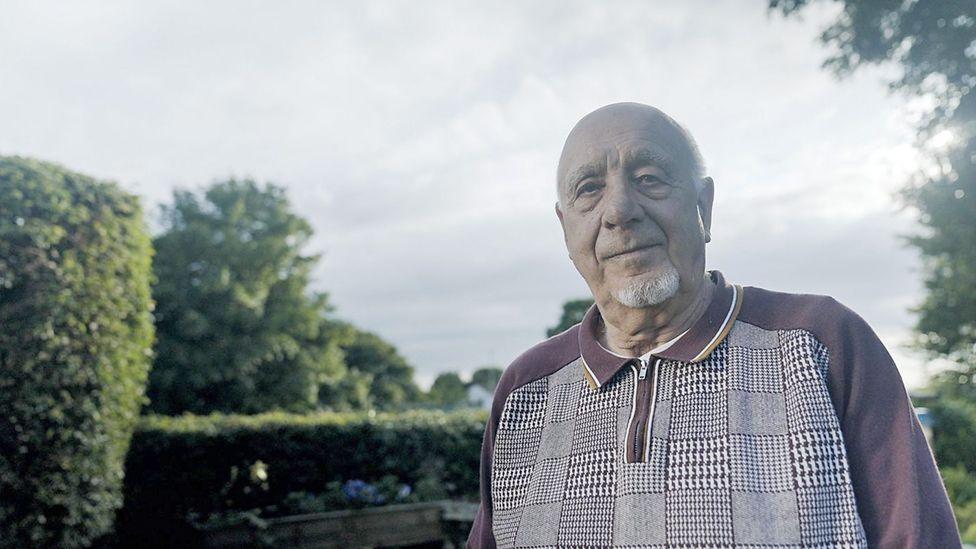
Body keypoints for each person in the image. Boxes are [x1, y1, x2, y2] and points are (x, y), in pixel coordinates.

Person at [465, 102, 961, 548]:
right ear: (565, 227)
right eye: (589, 190)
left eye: (650, 177)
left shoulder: (823, 340)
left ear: (703, 207)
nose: (619, 211)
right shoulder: (523, 389)